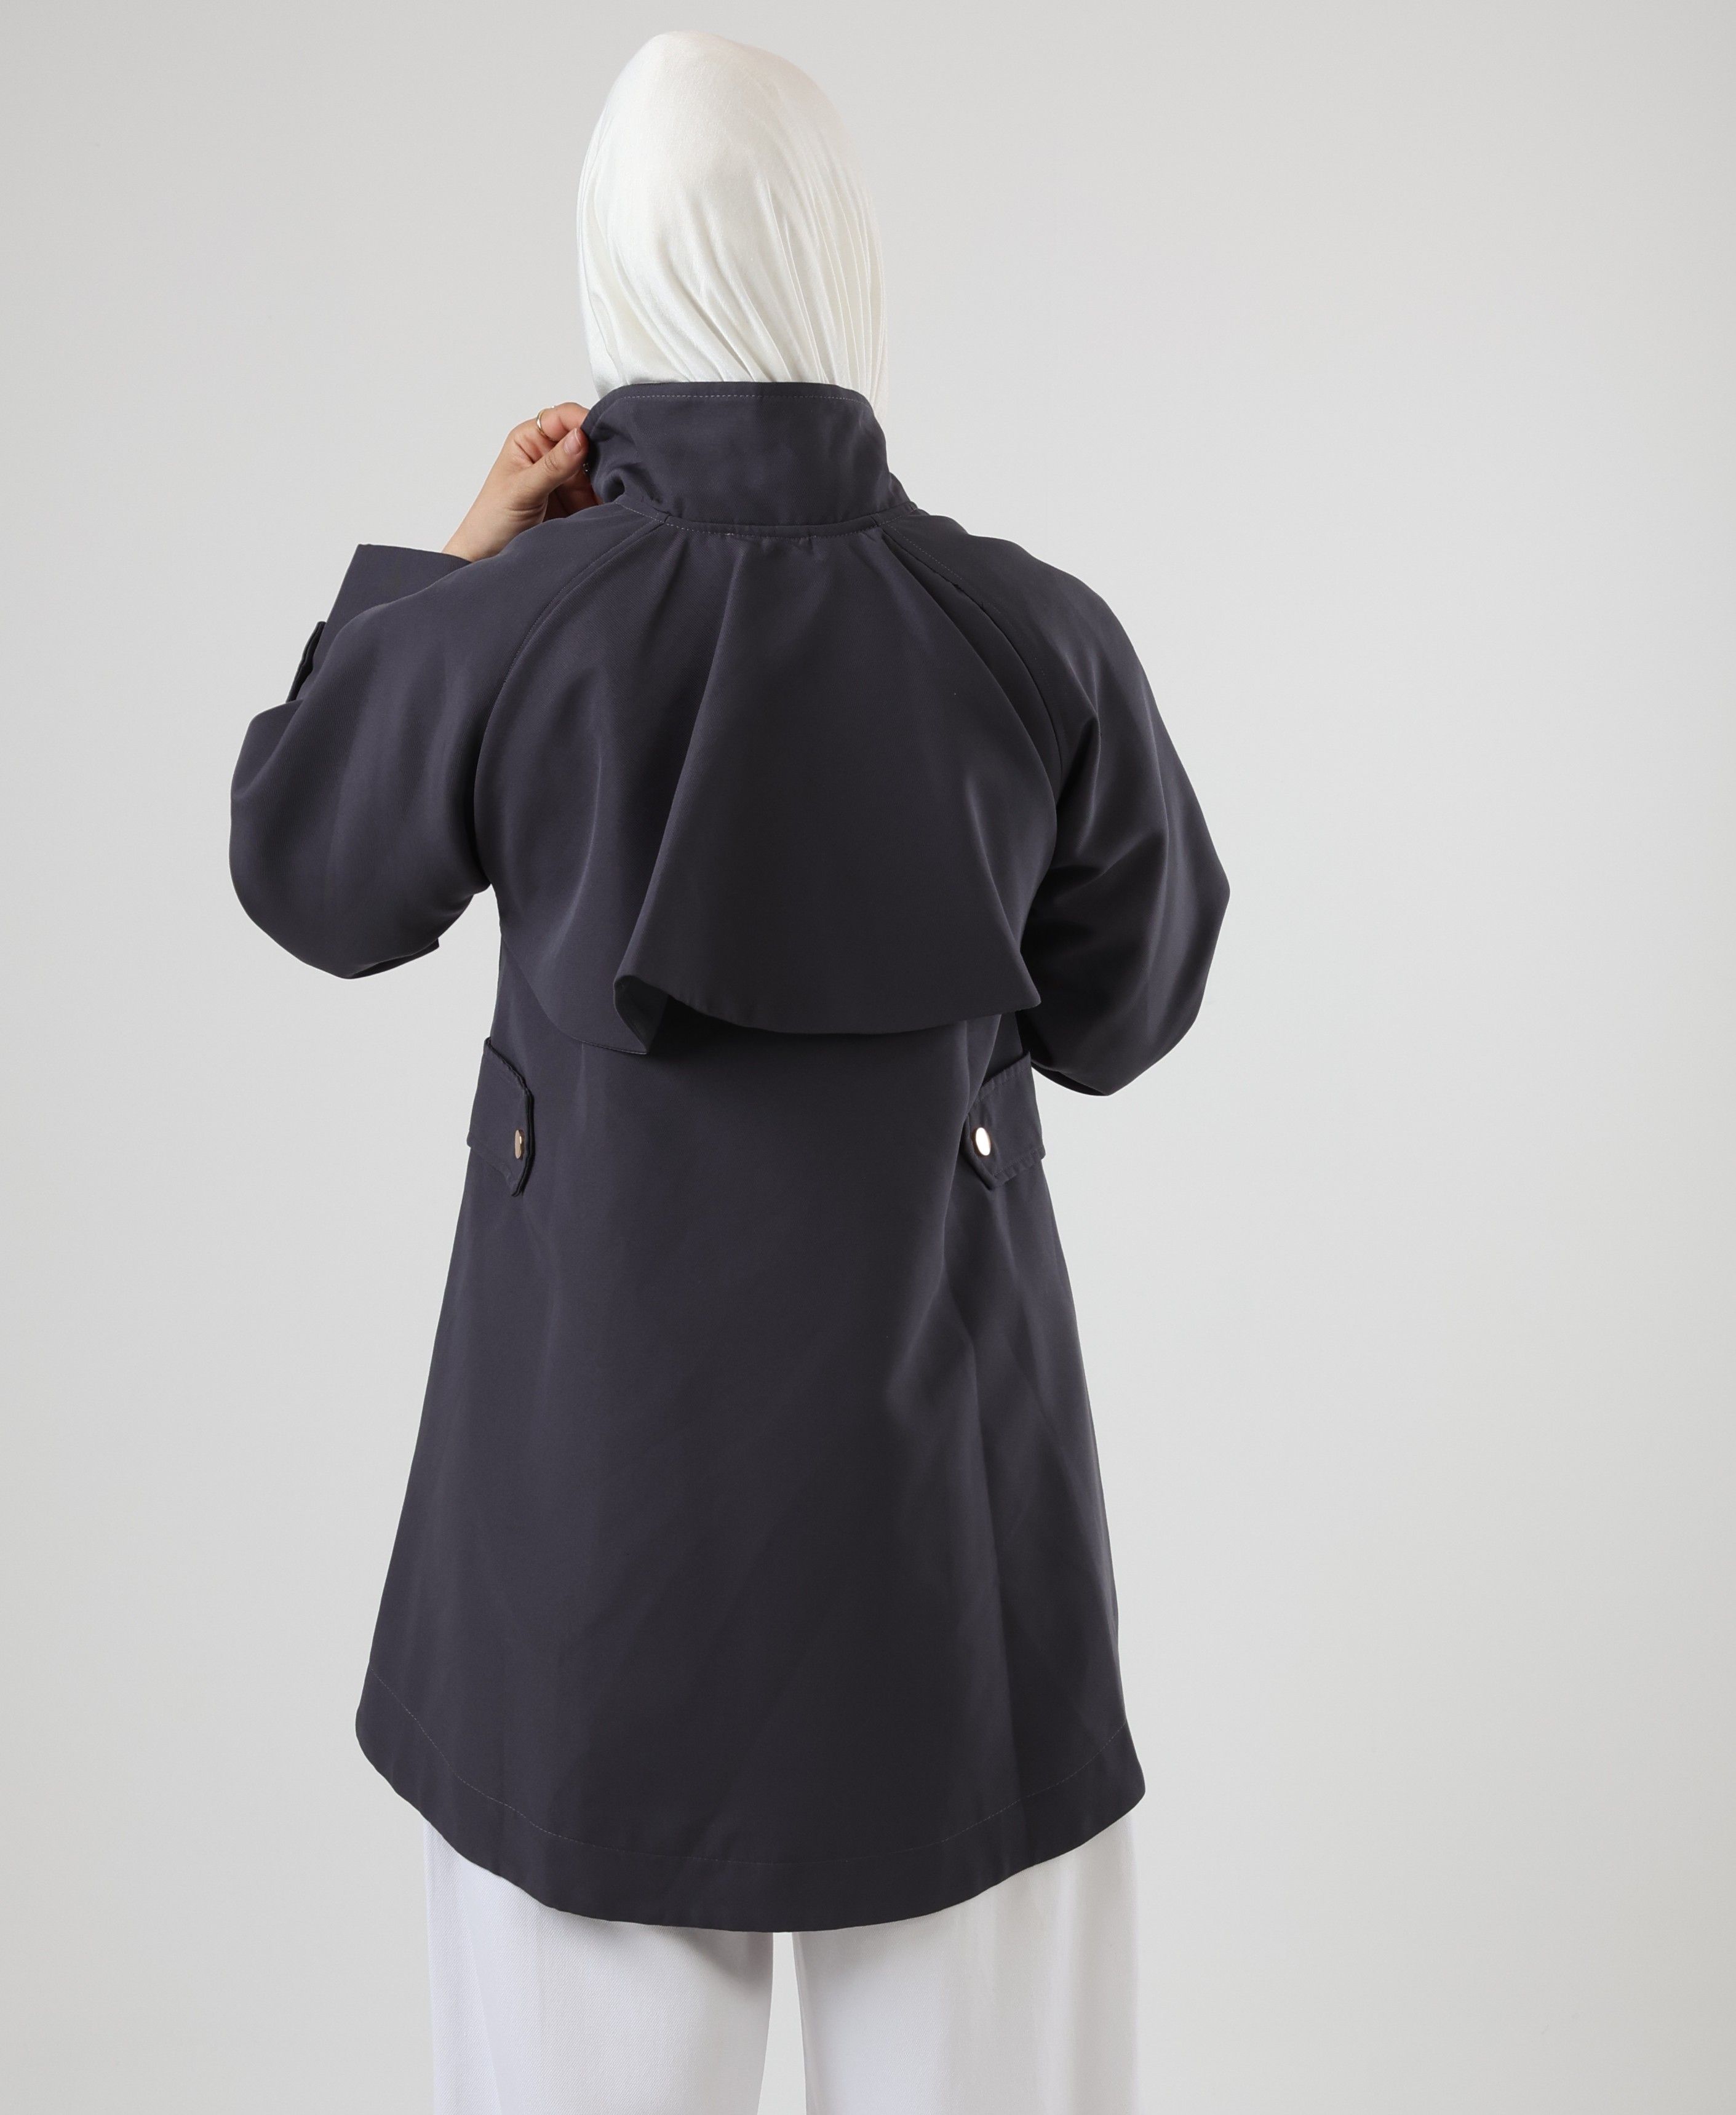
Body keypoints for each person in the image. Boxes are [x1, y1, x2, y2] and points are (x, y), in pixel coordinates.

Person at [229, 30, 1228, 2115]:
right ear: (845, 260)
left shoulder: (513, 629)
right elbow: (1128, 1010)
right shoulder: (1031, 637)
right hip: (948, 1573)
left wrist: (465, 563)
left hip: (576, 1566)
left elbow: (311, 868)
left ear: (616, 261)